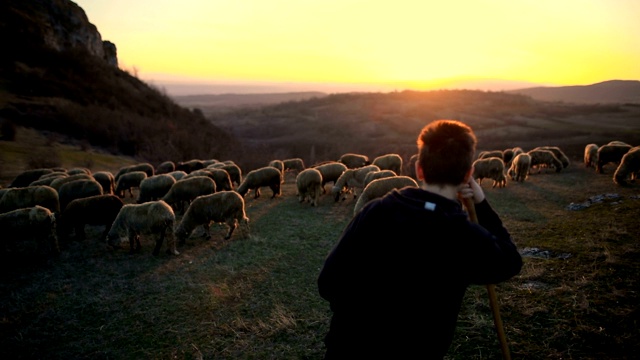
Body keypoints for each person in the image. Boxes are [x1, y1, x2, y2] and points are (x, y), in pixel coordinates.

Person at [317, 119, 523, 359]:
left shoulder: (374, 213)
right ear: (468, 174)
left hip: (348, 348)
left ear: (419, 170)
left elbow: (328, 283)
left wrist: (357, 317)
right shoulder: (464, 237)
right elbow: (510, 261)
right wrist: (481, 204)